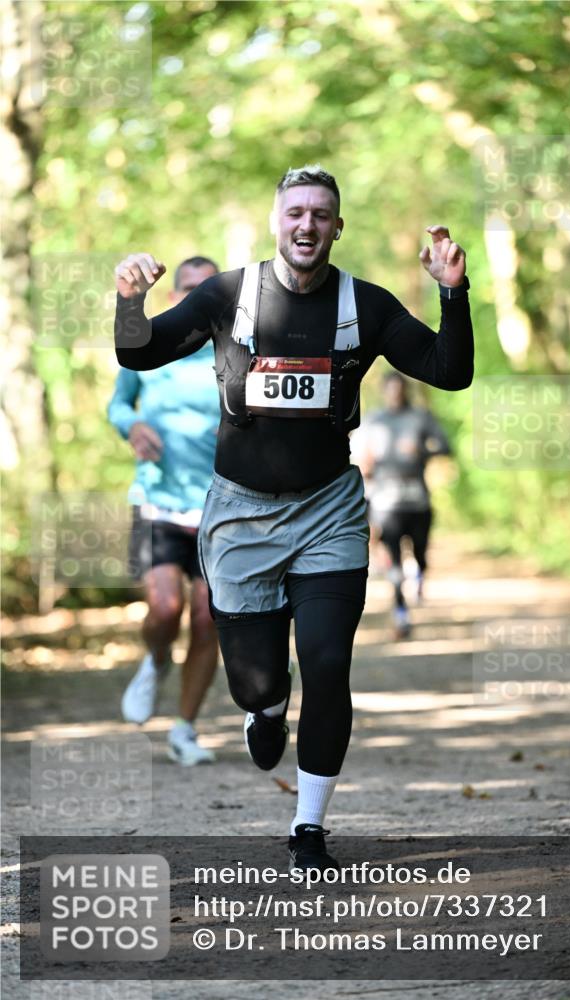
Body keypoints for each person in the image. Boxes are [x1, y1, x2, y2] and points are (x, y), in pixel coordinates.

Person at [113, 165, 474, 870]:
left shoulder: (362, 306)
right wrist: (131, 300)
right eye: (295, 213)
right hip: (240, 515)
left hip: (327, 511)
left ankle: (309, 827)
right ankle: (265, 706)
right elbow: (142, 349)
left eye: (321, 215)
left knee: (329, 663)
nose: (306, 225)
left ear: (337, 227)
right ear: (277, 221)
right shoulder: (228, 296)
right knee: (255, 680)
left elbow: (448, 369)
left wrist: (451, 292)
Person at [108, 256, 220, 766]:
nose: (199, 298)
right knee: (166, 608)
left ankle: (184, 728)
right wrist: (130, 427)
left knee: (206, 619)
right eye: (190, 290)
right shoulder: (151, 347)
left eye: (209, 290)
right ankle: (155, 659)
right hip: (158, 501)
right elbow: (117, 403)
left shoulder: (235, 352)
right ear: (175, 297)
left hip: (220, 509)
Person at [354, 371, 451, 640]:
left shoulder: (420, 417)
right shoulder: (373, 421)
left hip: (417, 498)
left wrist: (422, 451)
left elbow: (445, 447)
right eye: (391, 390)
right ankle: (400, 612)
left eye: (399, 390)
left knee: (419, 552)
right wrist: (365, 464)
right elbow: (357, 454)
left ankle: (419, 572)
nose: (395, 394)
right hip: (386, 500)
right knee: (393, 559)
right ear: (385, 392)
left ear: (405, 390)